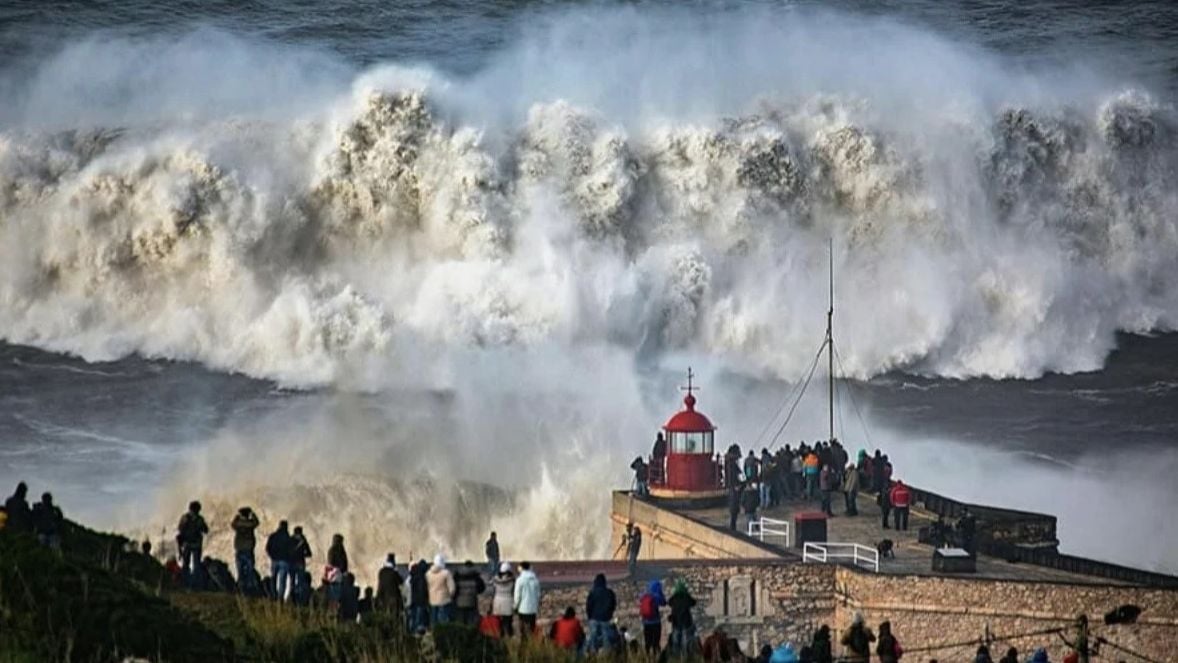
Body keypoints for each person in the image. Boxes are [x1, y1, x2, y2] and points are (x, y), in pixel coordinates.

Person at [177, 501, 209, 585]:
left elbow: (180, 529)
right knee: (194, 565)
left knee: (187, 565)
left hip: (188, 544)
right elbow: (206, 530)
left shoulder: (186, 517)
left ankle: (187, 583)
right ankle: (193, 583)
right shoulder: (199, 519)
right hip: (194, 544)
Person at [584, 572, 617, 652]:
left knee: (593, 637)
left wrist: (590, 617)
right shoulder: (609, 593)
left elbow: (589, 606)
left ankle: (593, 654)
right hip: (605, 618)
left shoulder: (592, 593)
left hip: (594, 618)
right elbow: (613, 605)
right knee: (606, 638)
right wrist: (609, 614)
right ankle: (606, 656)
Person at [230, 507, 259, 591]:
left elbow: (232, 524)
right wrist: (253, 514)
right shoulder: (250, 524)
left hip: (239, 549)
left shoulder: (238, 524)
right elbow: (257, 522)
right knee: (250, 570)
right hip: (248, 550)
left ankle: (240, 587)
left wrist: (237, 516)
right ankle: (249, 588)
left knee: (240, 571)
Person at [667, 579, 698, 656]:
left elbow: (669, 602)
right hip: (686, 622)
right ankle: (685, 656)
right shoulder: (686, 597)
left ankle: (675, 655)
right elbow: (693, 602)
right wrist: (687, 594)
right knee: (685, 640)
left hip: (676, 622)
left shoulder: (674, 598)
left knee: (676, 640)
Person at [265, 520, 293, 601]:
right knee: (282, 580)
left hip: (275, 560)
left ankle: (273, 595)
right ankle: (280, 598)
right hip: (285, 561)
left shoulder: (273, 536)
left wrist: (272, 556)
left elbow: (268, 548)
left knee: (273, 578)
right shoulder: (288, 538)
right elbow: (291, 551)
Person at [453, 560, 486, 626]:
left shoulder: (457, 575)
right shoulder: (476, 576)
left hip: (460, 602)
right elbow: (481, 588)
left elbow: (454, 588)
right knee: (471, 622)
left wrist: (455, 598)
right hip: (472, 601)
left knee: (461, 622)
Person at [639, 580, 667, 655]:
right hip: (655, 623)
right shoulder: (656, 597)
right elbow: (664, 603)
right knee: (656, 643)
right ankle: (656, 658)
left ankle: (647, 657)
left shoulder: (644, 595)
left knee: (647, 643)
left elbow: (640, 600)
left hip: (646, 623)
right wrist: (660, 593)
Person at [427, 554, 456, 626]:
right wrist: (450, 596)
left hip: (432, 600)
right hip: (444, 600)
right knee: (444, 623)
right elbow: (452, 587)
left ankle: (434, 634)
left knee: (433, 621)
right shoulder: (446, 573)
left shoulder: (428, 574)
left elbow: (427, 587)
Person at [514, 560, 541, 637]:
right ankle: (531, 643)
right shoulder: (535, 579)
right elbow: (538, 595)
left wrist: (515, 606)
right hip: (533, 608)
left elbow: (517, 595)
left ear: (521, 568)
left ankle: (524, 644)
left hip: (523, 609)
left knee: (523, 629)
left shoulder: (520, 580)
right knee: (532, 628)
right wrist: (537, 605)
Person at [491, 562, 516, 637]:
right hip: (508, 603)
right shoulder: (512, 580)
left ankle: (499, 638)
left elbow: (493, 590)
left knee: (498, 624)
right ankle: (508, 639)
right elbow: (514, 592)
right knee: (508, 623)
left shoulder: (495, 580)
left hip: (497, 603)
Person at [406, 558, 430, 633]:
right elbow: (422, 590)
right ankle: (416, 632)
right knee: (419, 619)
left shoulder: (412, 575)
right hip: (420, 600)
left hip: (413, 600)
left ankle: (412, 631)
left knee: (413, 618)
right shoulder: (421, 577)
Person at [290, 526, 312, 602]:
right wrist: (302, 554)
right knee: (300, 582)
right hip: (300, 563)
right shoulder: (303, 541)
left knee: (292, 581)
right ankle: (299, 599)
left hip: (292, 563)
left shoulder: (290, 539)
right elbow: (309, 553)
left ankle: (292, 598)